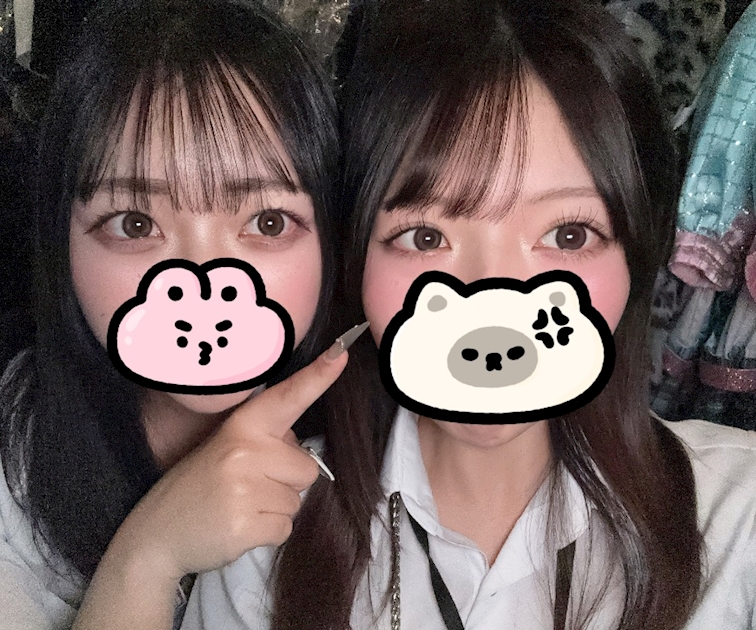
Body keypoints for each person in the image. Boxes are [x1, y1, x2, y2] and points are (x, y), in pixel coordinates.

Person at [186, 0, 756, 628]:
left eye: (568, 236)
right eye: (426, 238)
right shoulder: (262, 528)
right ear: (354, 258)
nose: (492, 301)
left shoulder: (740, 515)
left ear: (636, 257)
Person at [0, 0, 349, 628]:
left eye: (267, 222)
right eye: (136, 224)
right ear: (61, 242)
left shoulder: (386, 437)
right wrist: (148, 558)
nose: (203, 286)